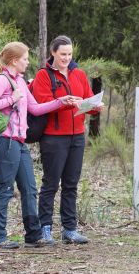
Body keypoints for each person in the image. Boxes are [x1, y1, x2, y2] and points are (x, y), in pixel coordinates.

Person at [0, 42, 79, 249]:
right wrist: (11, 99)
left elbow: (35, 109)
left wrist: (62, 101)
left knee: (29, 188)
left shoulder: (21, 82)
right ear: (15, 61)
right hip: (5, 141)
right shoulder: (2, 80)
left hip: (19, 141)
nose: (28, 62)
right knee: (5, 189)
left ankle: (33, 235)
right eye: (25, 58)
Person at [32, 35, 103, 245]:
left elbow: (88, 98)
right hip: (53, 138)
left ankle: (69, 230)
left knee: (71, 184)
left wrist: (94, 107)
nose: (66, 58)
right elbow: (42, 103)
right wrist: (65, 103)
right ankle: (45, 230)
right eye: (63, 54)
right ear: (53, 52)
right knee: (50, 184)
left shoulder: (79, 74)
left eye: (69, 54)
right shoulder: (43, 76)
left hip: (77, 136)